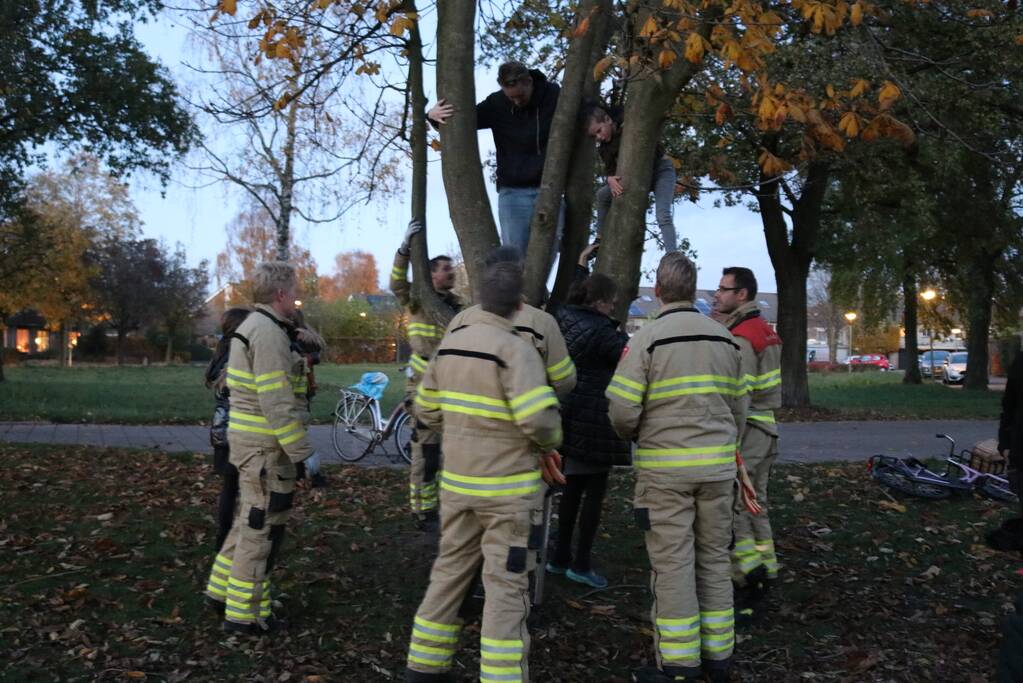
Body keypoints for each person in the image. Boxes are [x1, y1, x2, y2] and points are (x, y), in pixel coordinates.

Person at [402, 261, 565, 683]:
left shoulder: (451, 344)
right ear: (518, 303)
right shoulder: (516, 349)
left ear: (479, 299)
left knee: (449, 571)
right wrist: (548, 445)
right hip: (507, 495)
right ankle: (502, 675)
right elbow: (541, 422)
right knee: (506, 586)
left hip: (457, 487)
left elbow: (426, 408)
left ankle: (424, 666)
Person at [607, 252, 747, 683]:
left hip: (665, 472)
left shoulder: (649, 338)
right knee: (713, 559)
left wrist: (635, 435)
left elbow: (622, 408)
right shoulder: (724, 339)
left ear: (659, 289)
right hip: (717, 471)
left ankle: (680, 666)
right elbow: (739, 408)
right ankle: (719, 658)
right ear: (694, 289)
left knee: (672, 566)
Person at [203, 261, 322, 635]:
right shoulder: (267, 334)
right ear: (281, 294)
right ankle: (245, 615)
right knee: (261, 527)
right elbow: (277, 403)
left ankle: (221, 592)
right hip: (267, 451)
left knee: (247, 520)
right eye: (295, 290)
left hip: (252, 446)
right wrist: (305, 454)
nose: (297, 297)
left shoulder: (256, 327)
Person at [547, 272, 630, 590]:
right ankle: (580, 562)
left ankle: (558, 557)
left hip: (567, 414)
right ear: (598, 301)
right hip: (594, 419)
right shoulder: (603, 331)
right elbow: (629, 359)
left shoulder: (563, 319)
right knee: (593, 494)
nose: (613, 308)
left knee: (570, 490)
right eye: (611, 302)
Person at [428, 61, 561, 255]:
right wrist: (431, 115)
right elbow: (462, 121)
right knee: (514, 257)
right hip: (513, 193)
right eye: (511, 97)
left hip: (549, 188)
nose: (516, 101)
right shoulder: (497, 104)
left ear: (529, 81)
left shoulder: (553, 95)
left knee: (548, 254)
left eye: (520, 96)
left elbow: (586, 110)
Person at [713, 267, 783, 612]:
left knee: (737, 506)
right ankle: (767, 572)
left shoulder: (741, 336)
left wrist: (731, 442)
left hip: (749, 433)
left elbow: (740, 396)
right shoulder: (764, 331)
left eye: (724, 289)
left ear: (742, 294)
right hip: (766, 430)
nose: (717, 295)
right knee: (757, 505)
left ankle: (747, 577)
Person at [391, 219, 462, 530]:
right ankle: (422, 510)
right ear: (430, 274)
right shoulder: (419, 300)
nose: (452, 271)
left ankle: (446, 508)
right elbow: (396, 284)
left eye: (451, 267)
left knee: (450, 455)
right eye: (445, 268)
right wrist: (404, 250)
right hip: (422, 389)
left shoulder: (459, 307)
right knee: (426, 453)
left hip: (452, 388)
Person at [446, 246, 576, 400]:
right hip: (522, 418)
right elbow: (564, 381)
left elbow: (441, 371)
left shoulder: (460, 320)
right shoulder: (542, 322)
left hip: (461, 418)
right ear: (520, 276)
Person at [582, 103, 679, 253]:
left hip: (660, 171)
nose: (599, 137)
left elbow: (652, 148)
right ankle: (599, 238)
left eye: (599, 130)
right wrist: (609, 179)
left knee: (662, 214)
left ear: (608, 119)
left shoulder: (629, 125)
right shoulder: (604, 148)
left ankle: (672, 254)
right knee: (602, 195)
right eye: (595, 135)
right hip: (633, 178)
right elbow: (610, 171)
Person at [205, 307, 251, 551]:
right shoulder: (240, 352)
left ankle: (222, 540)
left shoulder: (221, 352)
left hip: (220, 431)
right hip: (240, 429)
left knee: (229, 488)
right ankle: (239, 541)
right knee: (247, 489)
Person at [289, 309, 328, 487]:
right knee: (298, 432)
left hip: (296, 390)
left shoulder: (298, 338)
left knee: (296, 434)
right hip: (303, 389)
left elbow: (311, 360)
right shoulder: (308, 337)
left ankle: (308, 473)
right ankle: (299, 472)